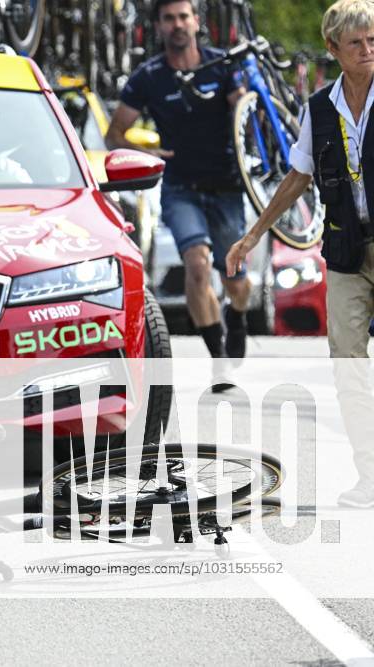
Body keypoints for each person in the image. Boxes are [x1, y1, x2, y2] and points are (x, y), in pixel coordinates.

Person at [226, 0, 374, 507]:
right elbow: (296, 179)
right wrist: (251, 237)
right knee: (348, 366)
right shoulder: (319, 109)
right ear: (333, 49)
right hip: (348, 251)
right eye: (357, 42)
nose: (368, 49)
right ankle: (369, 477)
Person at [106, 0, 250, 371]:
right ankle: (217, 355)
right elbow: (114, 135)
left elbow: (244, 114)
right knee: (196, 265)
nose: (178, 24)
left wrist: (246, 103)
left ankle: (237, 313)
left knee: (235, 281)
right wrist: (149, 154)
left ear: (196, 22)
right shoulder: (148, 77)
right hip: (180, 187)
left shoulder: (222, 65)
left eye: (184, 16)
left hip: (227, 186)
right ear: (159, 26)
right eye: (169, 18)